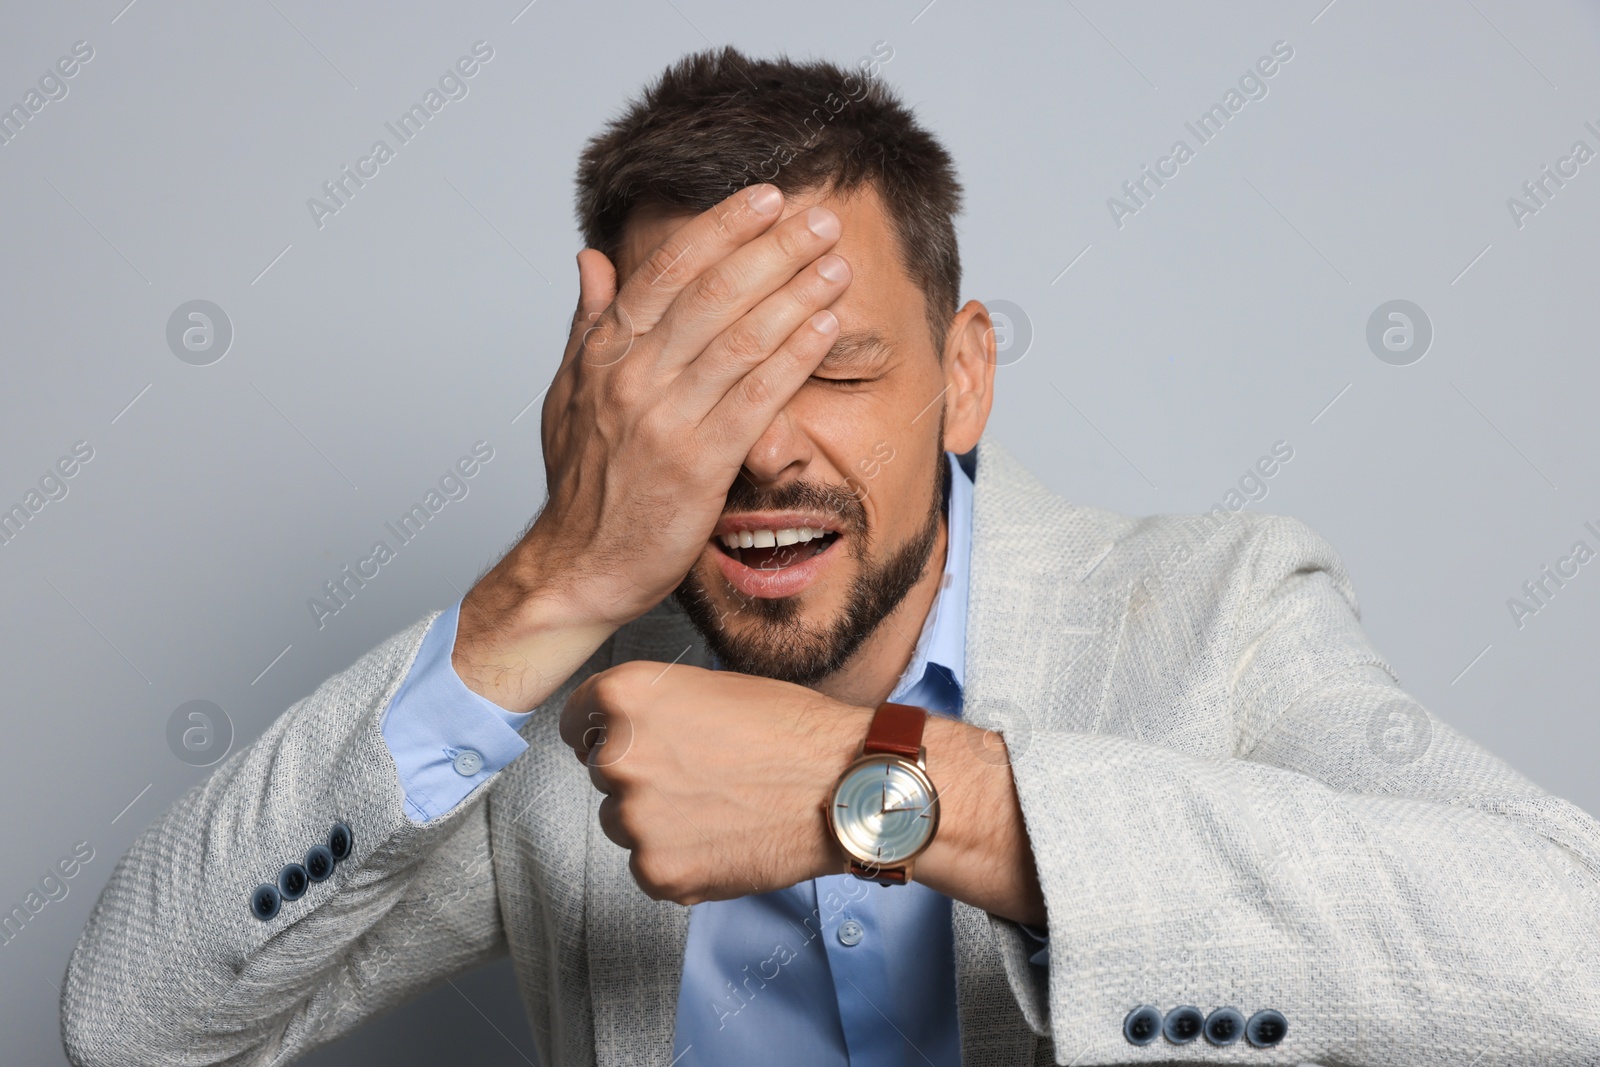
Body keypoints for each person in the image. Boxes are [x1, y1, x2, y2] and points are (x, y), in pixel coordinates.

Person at [61, 46, 1600, 1067]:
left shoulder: (1216, 618)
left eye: (839, 373)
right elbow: (131, 1023)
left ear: (966, 373)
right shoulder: (563, 719)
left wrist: (903, 793)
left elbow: (1567, 958)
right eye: (704, 389)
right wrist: (554, 584)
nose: (768, 450)